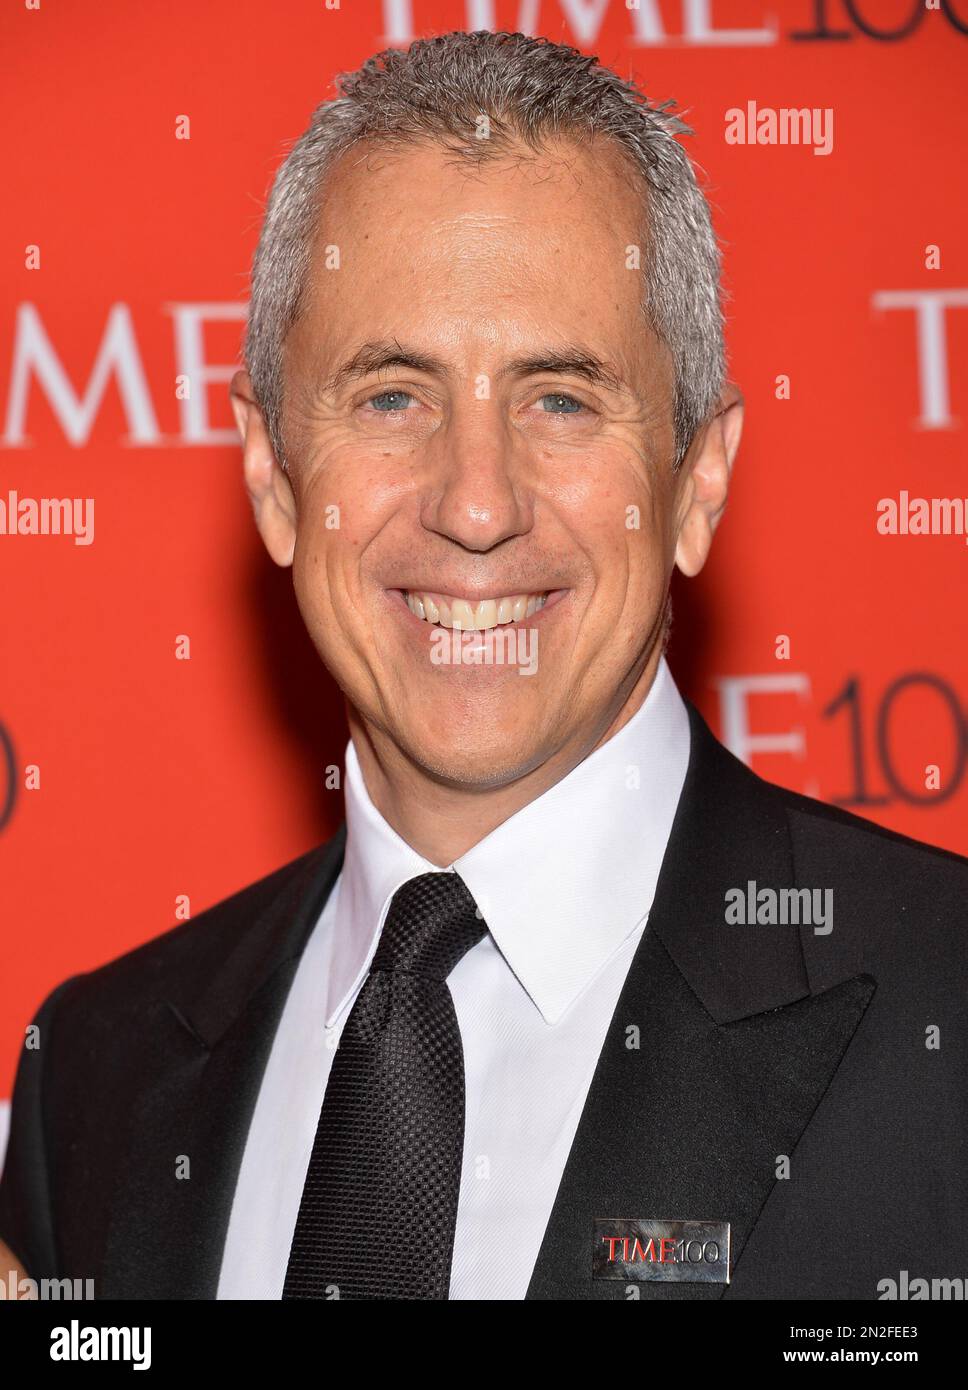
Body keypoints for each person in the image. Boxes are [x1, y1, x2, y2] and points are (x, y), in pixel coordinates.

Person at [2, 29, 966, 1302]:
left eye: (560, 397)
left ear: (697, 480)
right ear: (270, 473)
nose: (473, 502)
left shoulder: (935, 1017)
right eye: (391, 395)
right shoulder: (97, 1072)